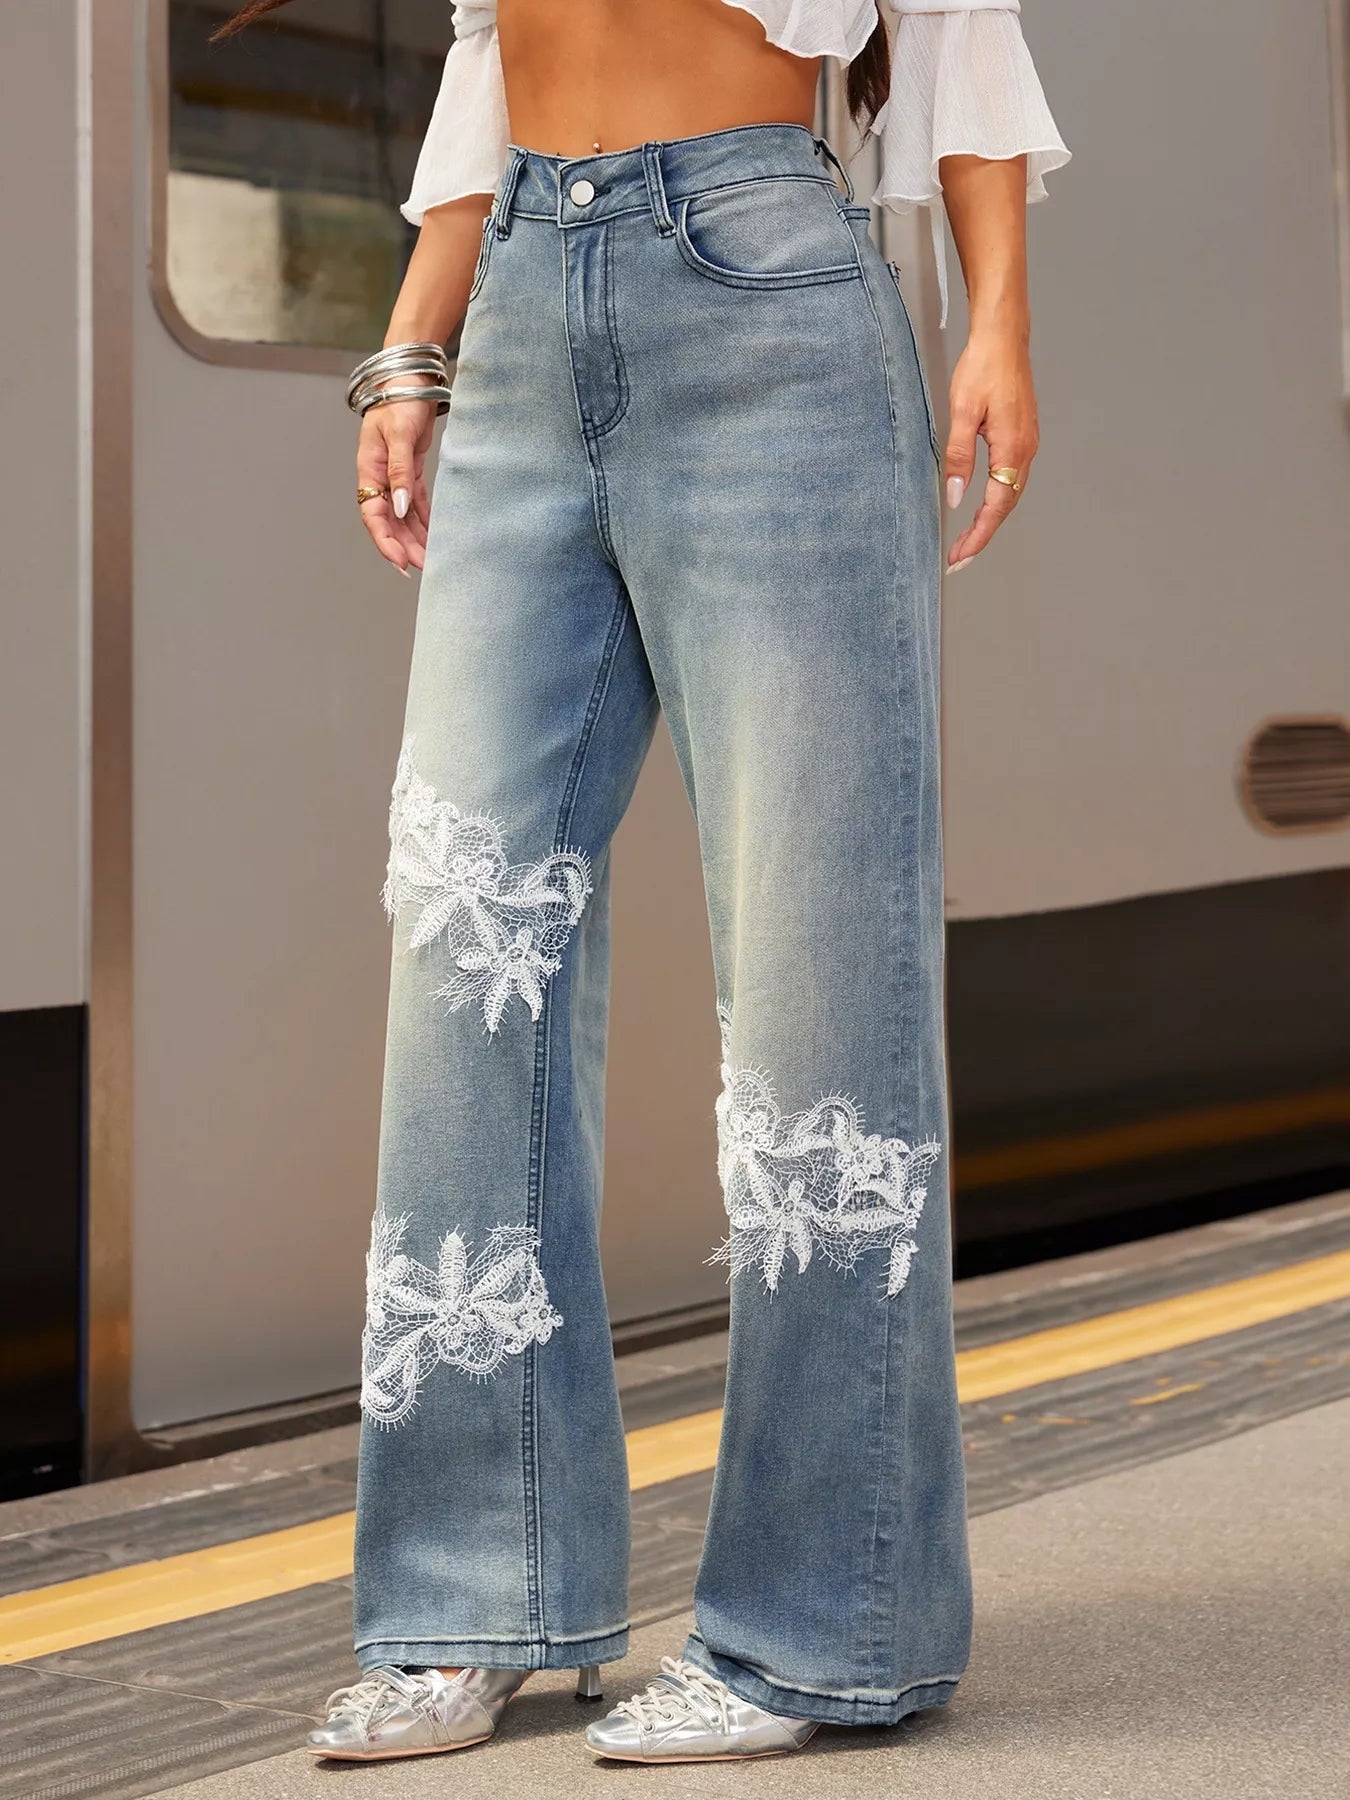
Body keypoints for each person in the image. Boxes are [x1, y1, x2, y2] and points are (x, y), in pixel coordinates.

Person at [218, 0, 1068, 1765]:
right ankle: (474, 1595)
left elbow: (959, 26)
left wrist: (998, 318)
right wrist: (411, 347)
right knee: (466, 944)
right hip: (525, 291)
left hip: (766, 287)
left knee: (818, 967)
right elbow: (490, 59)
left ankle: (824, 1626)